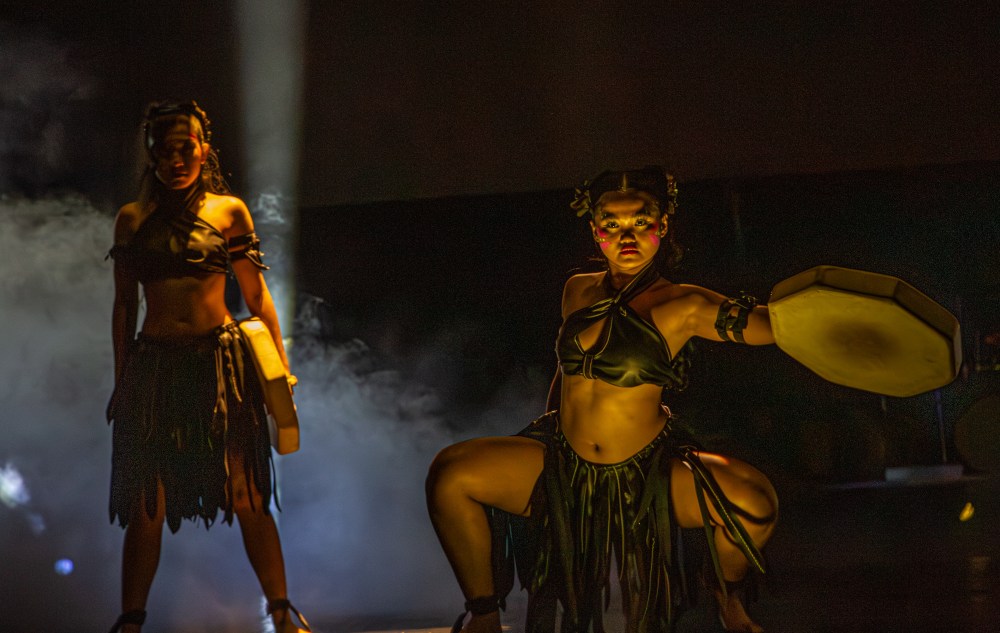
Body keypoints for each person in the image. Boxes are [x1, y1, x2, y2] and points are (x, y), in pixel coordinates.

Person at [426, 166, 779, 633]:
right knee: (451, 474)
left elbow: (765, 328)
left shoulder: (683, 304)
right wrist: (550, 429)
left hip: (645, 472)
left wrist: (825, 315)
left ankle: (727, 597)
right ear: (595, 231)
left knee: (755, 502)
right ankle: (485, 617)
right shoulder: (577, 289)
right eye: (612, 225)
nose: (625, 236)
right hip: (565, 463)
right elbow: (566, 372)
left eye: (640, 222)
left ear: (663, 226)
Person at [106, 101, 309, 633]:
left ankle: (283, 614)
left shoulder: (228, 212)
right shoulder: (132, 220)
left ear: (203, 150)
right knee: (147, 500)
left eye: (186, 148)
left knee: (247, 492)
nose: (176, 159)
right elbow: (125, 304)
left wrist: (279, 377)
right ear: (151, 154)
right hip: (155, 372)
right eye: (165, 149)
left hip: (220, 368)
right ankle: (130, 622)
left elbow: (257, 297)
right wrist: (121, 379)